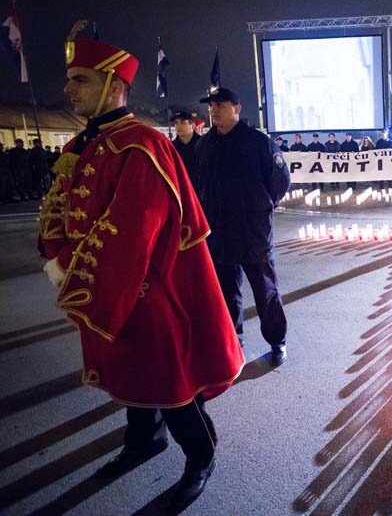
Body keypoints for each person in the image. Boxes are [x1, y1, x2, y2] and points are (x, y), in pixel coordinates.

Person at [38, 36, 243, 509]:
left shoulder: (143, 145)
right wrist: (56, 251)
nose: (69, 89)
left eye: (80, 80)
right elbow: (59, 209)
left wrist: (68, 266)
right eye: (69, 79)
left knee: (169, 375)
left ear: (113, 85)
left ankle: (201, 456)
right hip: (107, 281)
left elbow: (131, 228)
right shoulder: (82, 144)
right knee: (130, 371)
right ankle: (143, 440)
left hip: (149, 289)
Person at [195, 87, 291, 366]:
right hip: (219, 232)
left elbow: (280, 182)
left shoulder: (258, 142)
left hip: (253, 232)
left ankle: (277, 341)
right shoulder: (205, 145)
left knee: (266, 291)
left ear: (237, 109)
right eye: (211, 105)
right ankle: (233, 341)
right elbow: (199, 185)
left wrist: (261, 206)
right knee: (226, 294)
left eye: (220, 105)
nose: (213, 110)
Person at [171, 110, 202, 190]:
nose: (178, 126)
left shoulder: (204, 144)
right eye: (176, 123)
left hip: (201, 191)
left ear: (192, 125)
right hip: (181, 190)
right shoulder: (171, 147)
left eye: (183, 123)